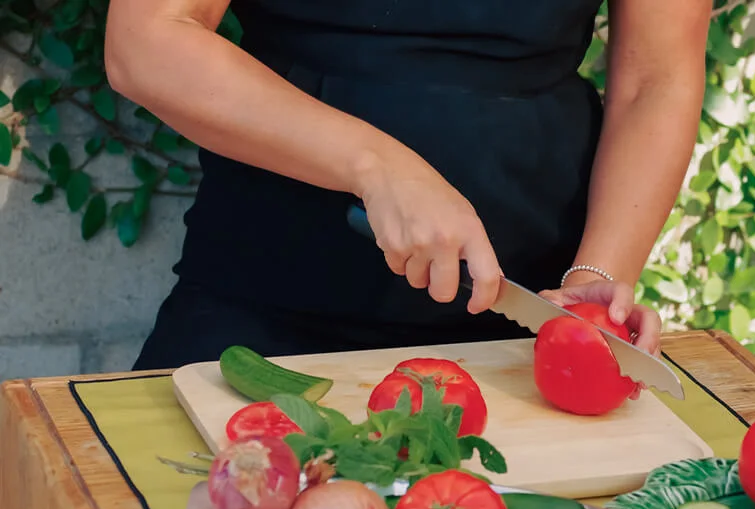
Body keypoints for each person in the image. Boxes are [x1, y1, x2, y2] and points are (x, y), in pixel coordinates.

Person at [104, 0, 712, 370]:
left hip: (531, 314)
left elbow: (656, 78)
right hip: (266, 298)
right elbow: (147, 40)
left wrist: (598, 277)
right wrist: (378, 166)